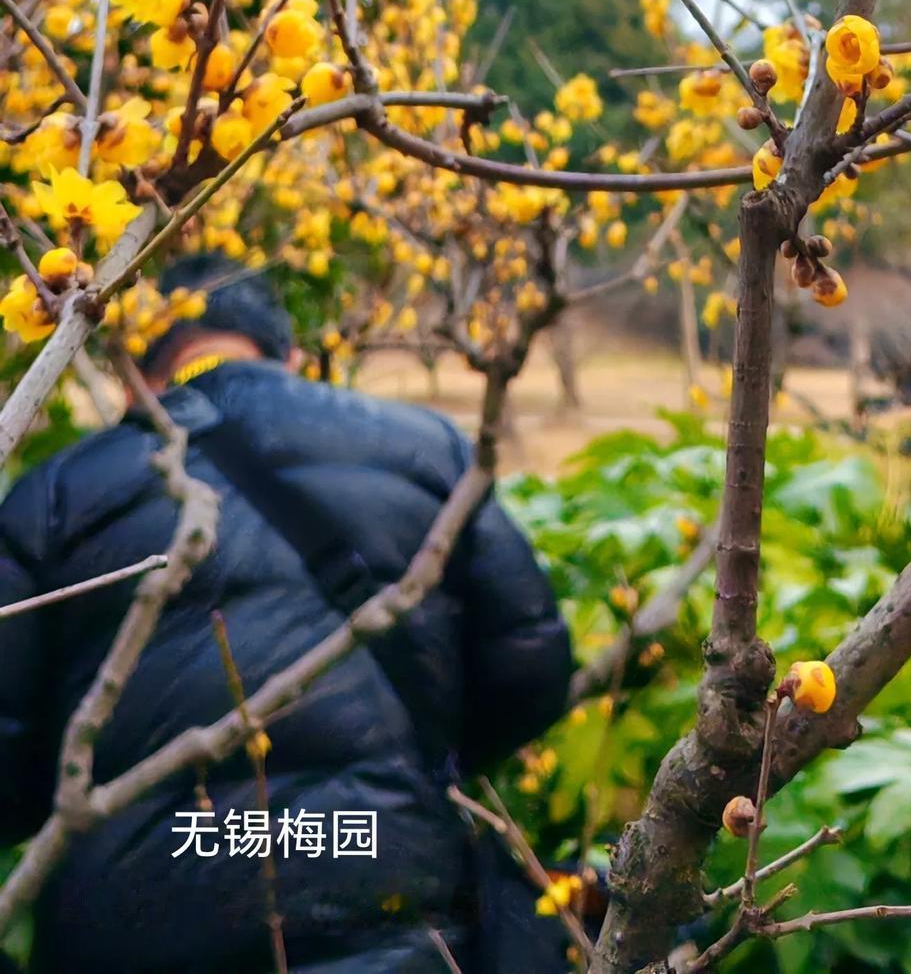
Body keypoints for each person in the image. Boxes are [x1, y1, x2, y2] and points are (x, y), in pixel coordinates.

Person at [0, 258, 574, 974]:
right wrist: (405, 762)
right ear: (294, 359)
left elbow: (9, 775)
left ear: (130, 377)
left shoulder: (51, 497)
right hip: (388, 903)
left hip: (131, 931)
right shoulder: (429, 448)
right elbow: (534, 669)